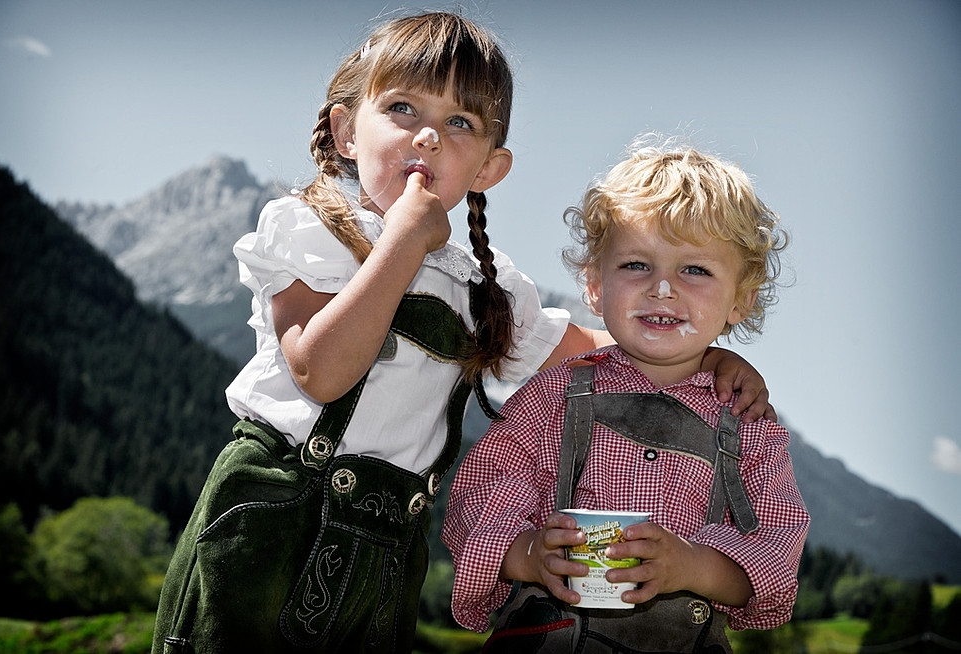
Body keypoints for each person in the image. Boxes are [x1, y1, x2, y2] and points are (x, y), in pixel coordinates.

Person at [152, 13, 774, 654]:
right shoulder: (310, 229)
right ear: (344, 131)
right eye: (401, 107)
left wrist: (709, 359)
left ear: (487, 168)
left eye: (460, 125)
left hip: (390, 544)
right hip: (276, 516)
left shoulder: (486, 285)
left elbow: (603, 350)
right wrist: (402, 240)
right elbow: (320, 368)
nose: (427, 137)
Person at [443, 138, 810, 653]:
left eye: (696, 270)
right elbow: (477, 497)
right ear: (595, 284)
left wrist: (690, 564)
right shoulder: (554, 396)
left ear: (741, 300)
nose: (663, 288)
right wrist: (529, 554)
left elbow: (776, 557)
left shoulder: (747, 423)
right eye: (637, 265)